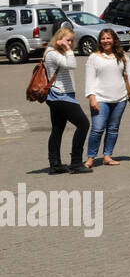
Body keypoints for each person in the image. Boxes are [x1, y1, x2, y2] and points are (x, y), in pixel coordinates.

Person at [84, 28, 130, 167]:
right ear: (99, 41)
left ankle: (107, 156)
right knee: (97, 129)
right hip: (100, 99)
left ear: (114, 40)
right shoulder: (93, 57)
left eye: (108, 38)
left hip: (120, 99)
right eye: (103, 38)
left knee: (113, 129)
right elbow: (89, 80)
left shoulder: (122, 56)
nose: (105, 41)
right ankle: (90, 158)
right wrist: (92, 98)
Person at [44, 25, 91, 174]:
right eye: (67, 40)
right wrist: (68, 49)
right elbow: (71, 65)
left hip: (62, 96)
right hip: (60, 96)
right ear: (59, 39)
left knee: (57, 129)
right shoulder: (52, 53)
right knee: (83, 124)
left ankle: (55, 164)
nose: (70, 44)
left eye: (72, 41)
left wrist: (65, 48)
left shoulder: (58, 52)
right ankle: (76, 162)